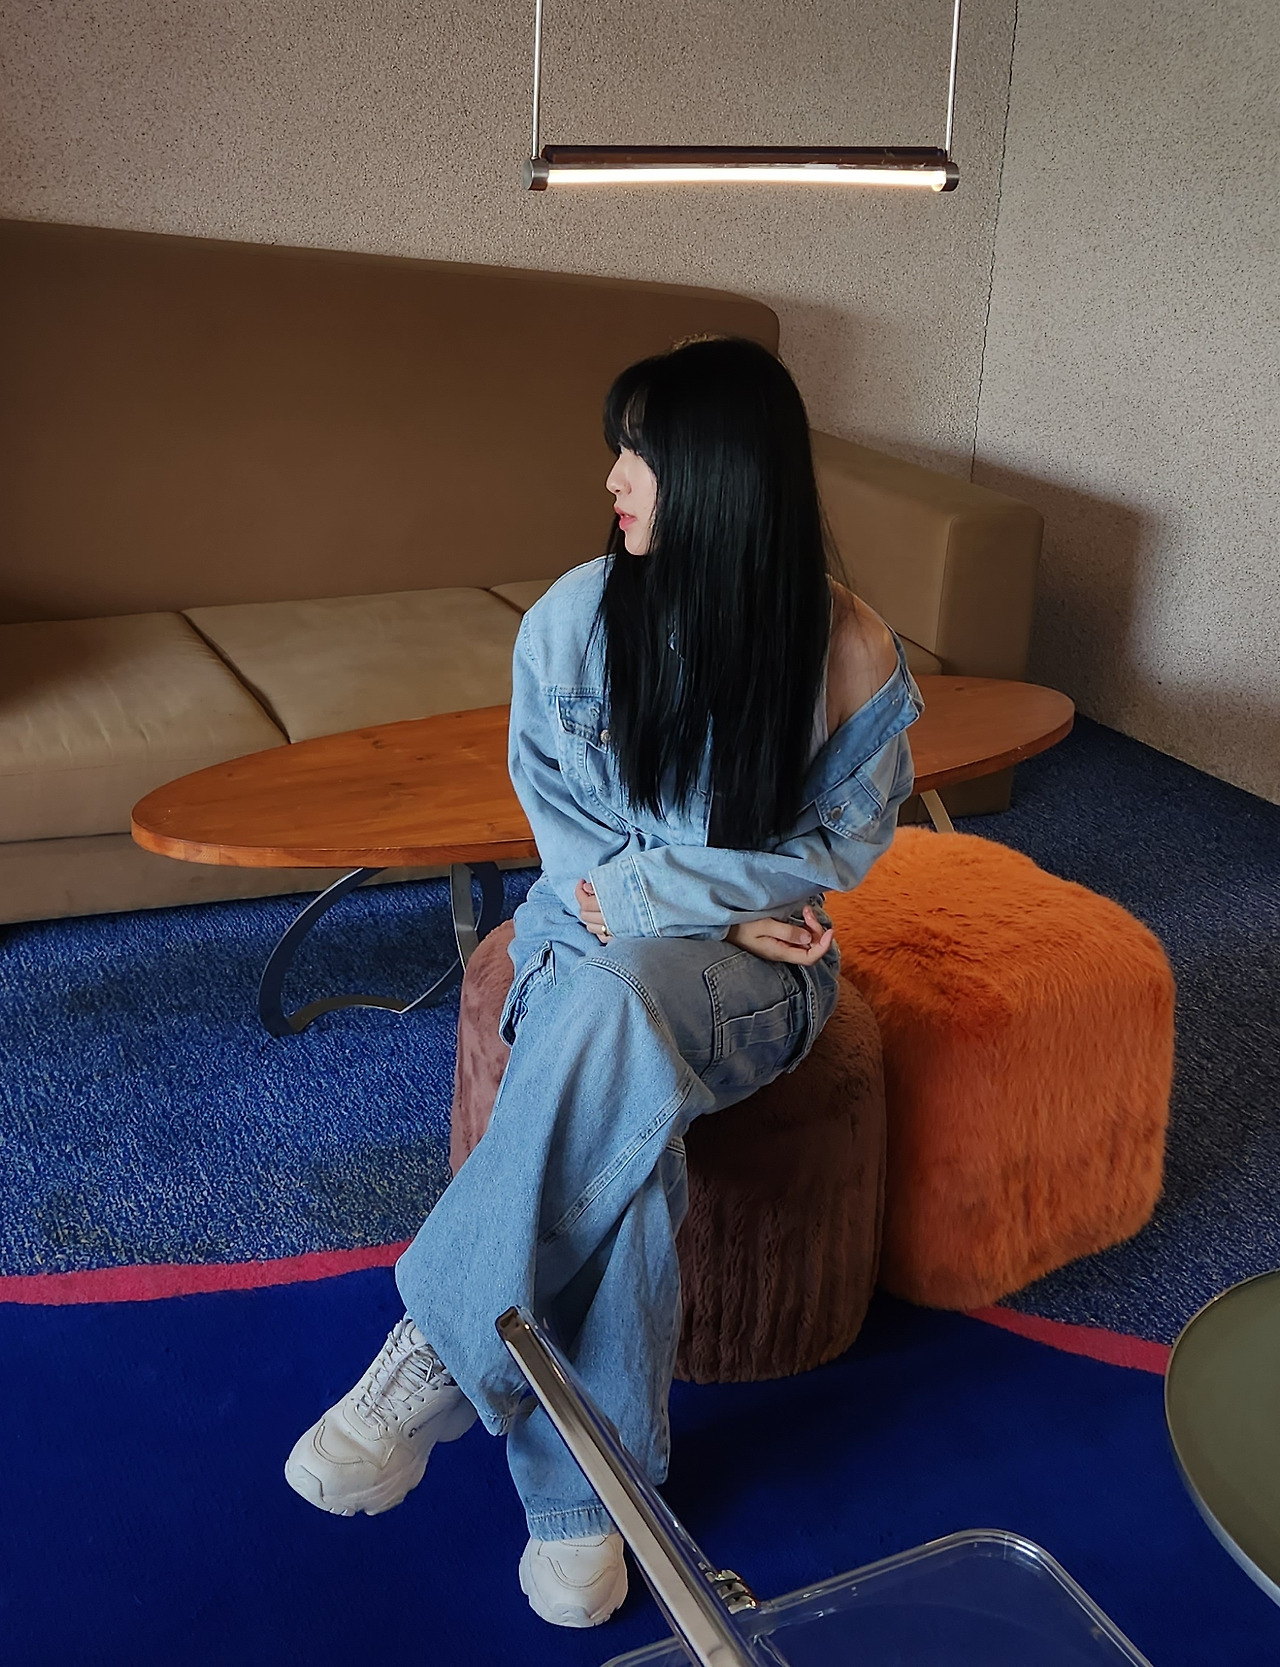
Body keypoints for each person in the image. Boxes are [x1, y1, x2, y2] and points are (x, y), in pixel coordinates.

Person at [284, 336, 922, 1628]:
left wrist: (668, 903)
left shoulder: (847, 647)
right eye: (618, 450)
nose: (613, 479)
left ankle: (438, 1344)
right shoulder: (570, 624)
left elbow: (840, 855)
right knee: (624, 1086)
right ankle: (588, 1509)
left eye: (641, 454)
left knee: (626, 1010)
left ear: (722, 475)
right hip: (585, 956)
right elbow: (574, 866)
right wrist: (709, 899)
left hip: (760, 989)